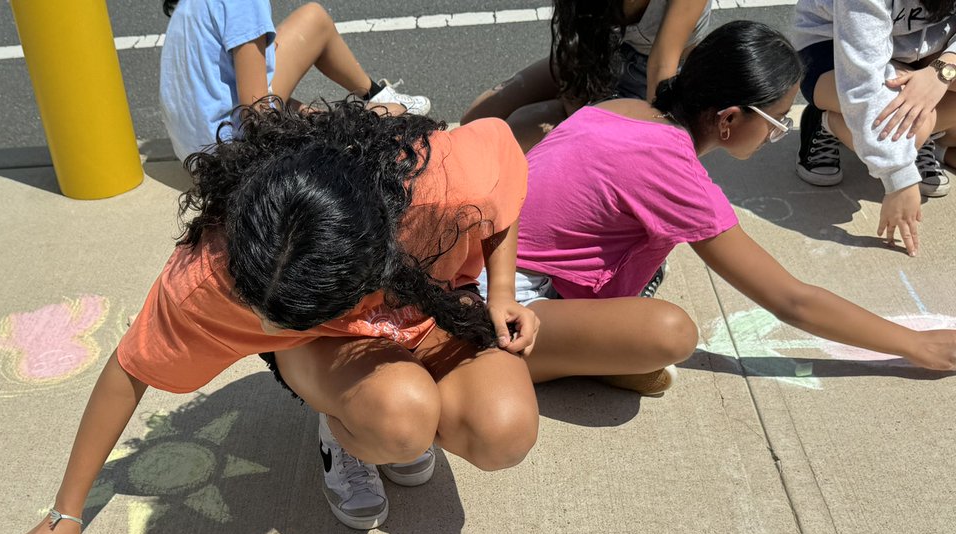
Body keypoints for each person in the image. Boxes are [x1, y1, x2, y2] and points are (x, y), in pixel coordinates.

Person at [20, 101, 540, 534]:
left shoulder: (437, 183)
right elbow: (130, 368)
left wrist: (500, 292)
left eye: (285, 316)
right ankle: (347, 427)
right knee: (401, 419)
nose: (266, 324)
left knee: (504, 433)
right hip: (328, 351)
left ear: (374, 261)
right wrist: (67, 512)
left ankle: (391, 418)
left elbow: (503, 166)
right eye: (265, 315)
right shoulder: (211, 274)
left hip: (425, 307)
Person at [488, 20, 956, 397]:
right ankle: (520, 359)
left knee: (650, 273)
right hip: (501, 302)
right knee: (668, 334)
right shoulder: (673, 172)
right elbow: (791, 300)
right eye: (776, 123)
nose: (776, 135)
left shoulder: (626, 106)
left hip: (487, 258)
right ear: (729, 119)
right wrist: (913, 345)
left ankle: (577, 344)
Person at [159, 0, 430, 160]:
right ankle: (378, 96)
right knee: (314, 19)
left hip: (195, 154)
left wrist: (305, 113)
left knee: (288, 53)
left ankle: (377, 95)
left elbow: (228, 89)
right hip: (230, 155)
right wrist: (334, 127)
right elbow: (256, 114)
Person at [793, 0, 956, 256]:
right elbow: (862, 81)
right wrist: (899, 178)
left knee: (917, 119)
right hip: (834, 44)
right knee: (917, 122)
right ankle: (825, 121)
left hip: (926, 52)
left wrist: (942, 71)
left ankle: (918, 138)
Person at [461, 0, 711, 151]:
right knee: (476, 118)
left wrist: (660, 145)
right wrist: (576, 102)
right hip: (601, 52)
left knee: (521, 129)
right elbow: (583, 40)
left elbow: (662, 66)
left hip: (652, 80)